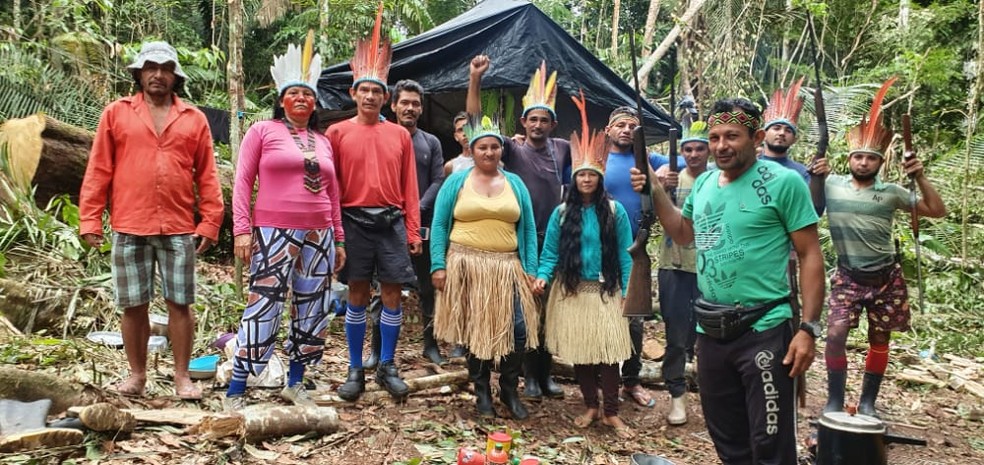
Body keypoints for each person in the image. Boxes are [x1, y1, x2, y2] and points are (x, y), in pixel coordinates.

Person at [630, 98, 824, 464]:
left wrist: (808, 329)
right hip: (712, 329)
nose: (721, 145)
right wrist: (655, 189)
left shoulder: (783, 183)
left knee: (769, 439)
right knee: (727, 436)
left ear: (757, 137)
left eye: (732, 136)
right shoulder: (703, 184)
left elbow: (811, 255)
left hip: (764, 327)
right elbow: (684, 233)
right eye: (715, 136)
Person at [79, 41, 224, 400]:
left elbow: (207, 173)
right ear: (139, 73)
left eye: (165, 69)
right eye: (151, 68)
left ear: (175, 76)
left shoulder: (194, 118)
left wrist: (210, 220)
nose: (158, 75)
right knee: (133, 303)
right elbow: (99, 169)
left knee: (180, 303)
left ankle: (181, 378)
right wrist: (90, 219)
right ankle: (137, 375)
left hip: (178, 226)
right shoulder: (117, 113)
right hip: (130, 223)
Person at [809, 78, 946, 417]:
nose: (863, 162)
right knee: (836, 333)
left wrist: (921, 175)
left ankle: (868, 401)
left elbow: (936, 210)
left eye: (870, 158)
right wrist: (815, 174)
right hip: (847, 276)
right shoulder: (832, 184)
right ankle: (835, 400)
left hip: (885, 277)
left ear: (880, 161)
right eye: (857, 156)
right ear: (849, 158)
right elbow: (810, 207)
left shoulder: (893, 192)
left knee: (880, 338)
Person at [224, 34, 345, 411]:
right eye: (294, 93)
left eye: (307, 94)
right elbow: (243, 182)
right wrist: (242, 229)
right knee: (264, 303)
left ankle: (296, 382)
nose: (301, 99)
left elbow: (333, 191)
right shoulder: (262, 131)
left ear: (314, 102)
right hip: (272, 231)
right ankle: (237, 387)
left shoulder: (323, 140)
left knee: (312, 305)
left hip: (319, 232)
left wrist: (338, 238)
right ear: (281, 99)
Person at [329, 3, 422, 401]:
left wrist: (414, 230)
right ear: (354, 93)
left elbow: (410, 187)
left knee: (391, 294)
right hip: (352, 221)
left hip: (391, 222)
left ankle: (386, 364)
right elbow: (330, 189)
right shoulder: (336, 132)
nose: (370, 96)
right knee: (356, 293)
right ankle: (355, 368)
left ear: (385, 97)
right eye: (364, 90)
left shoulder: (400, 136)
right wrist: (335, 234)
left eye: (376, 91)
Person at [467, 55, 569, 400]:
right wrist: (476, 80)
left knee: (549, 310)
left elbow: (580, 185)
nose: (538, 125)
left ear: (552, 124)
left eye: (545, 120)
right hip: (522, 243)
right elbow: (474, 122)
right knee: (525, 312)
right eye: (533, 119)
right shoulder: (512, 148)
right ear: (523, 122)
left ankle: (546, 372)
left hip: (553, 240)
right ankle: (527, 378)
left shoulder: (563, 149)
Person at [533, 92, 634, 438]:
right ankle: (590, 405)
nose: (587, 180)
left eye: (592, 175)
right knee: (583, 353)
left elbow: (625, 253)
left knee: (609, 355)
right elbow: (549, 254)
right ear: (574, 179)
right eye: (581, 176)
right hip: (574, 290)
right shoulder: (562, 214)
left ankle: (611, 411)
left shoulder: (616, 212)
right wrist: (543, 278)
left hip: (606, 290)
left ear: (600, 178)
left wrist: (630, 290)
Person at [430, 114, 540, 420]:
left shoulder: (515, 183)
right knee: (475, 331)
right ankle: (481, 391)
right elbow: (439, 225)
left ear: (501, 149)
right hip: (466, 263)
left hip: (507, 267)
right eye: (483, 147)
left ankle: (508, 388)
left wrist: (530, 269)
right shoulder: (456, 181)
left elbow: (528, 229)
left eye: (494, 147)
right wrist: (438, 265)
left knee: (518, 330)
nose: (489, 152)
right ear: (473, 150)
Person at [601, 105, 683, 409]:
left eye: (632, 126)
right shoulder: (599, 158)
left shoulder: (649, 159)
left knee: (634, 319)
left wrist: (665, 173)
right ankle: (601, 380)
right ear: (608, 130)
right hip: (597, 247)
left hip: (635, 248)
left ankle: (631, 380)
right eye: (620, 125)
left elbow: (689, 162)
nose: (625, 130)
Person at [362, 79, 446, 367]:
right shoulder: (381, 136)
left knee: (427, 288)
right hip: (384, 225)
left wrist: (417, 208)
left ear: (421, 109)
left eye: (416, 103)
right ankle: (378, 350)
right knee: (382, 288)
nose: (410, 108)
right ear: (393, 105)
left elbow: (438, 179)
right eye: (405, 103)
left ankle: (430, 345)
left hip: (421, 225)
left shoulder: (430, 142)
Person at [650, 121, 710, 425]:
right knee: (675, 333)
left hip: (711, 267)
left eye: (700, 148)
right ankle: (677, 395)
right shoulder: (671, 177)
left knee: (710, 334)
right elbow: (649, 213)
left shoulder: (718, 179)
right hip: (673, 264)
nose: (694, 154)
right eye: (688, 149)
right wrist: (662, 189)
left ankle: (714, 396)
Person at [759, 78, 810, 183]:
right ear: (763, 134)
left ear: (794, 140)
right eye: (776, 128)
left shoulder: (802, 173)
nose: (782, 133)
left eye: (788, 131)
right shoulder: (747, 166)